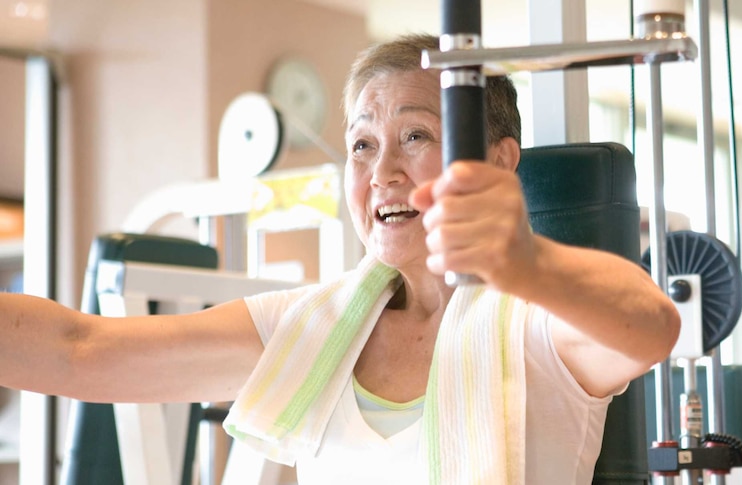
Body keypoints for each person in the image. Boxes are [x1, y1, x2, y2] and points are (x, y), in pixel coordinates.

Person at [1, 33, 680, 484]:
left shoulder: (530, 324)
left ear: (498, 163)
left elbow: (651, 324)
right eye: (361, 144)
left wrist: (526, 263)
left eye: (414, 135)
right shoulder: (309, 327)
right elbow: (77, 347)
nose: (382, 170)